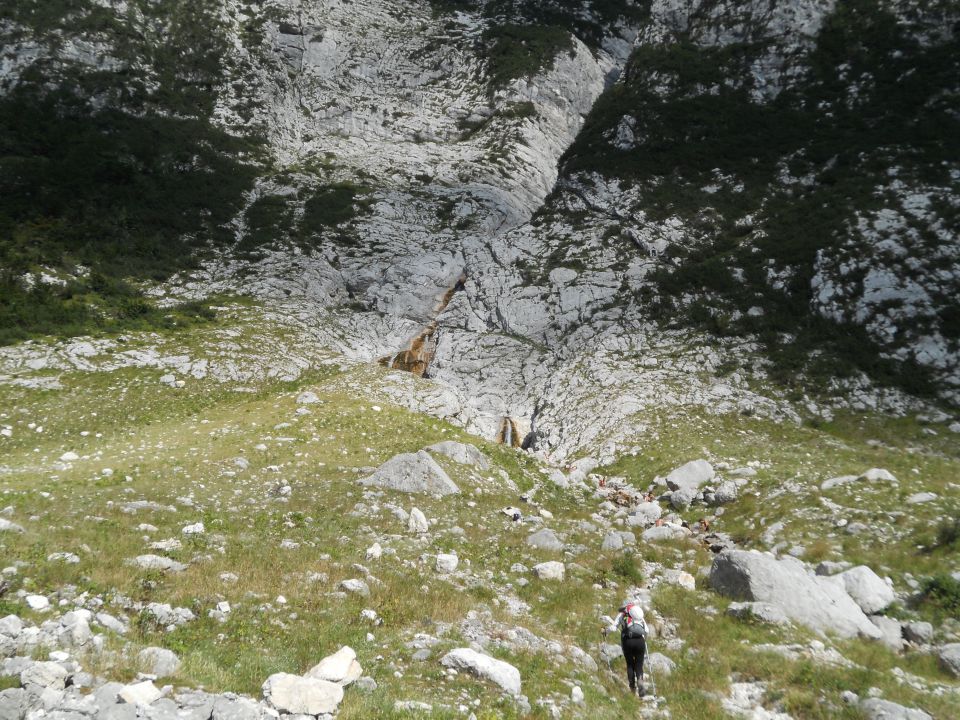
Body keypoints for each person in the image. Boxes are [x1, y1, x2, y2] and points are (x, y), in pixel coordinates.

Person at [604, 599, 647, 696]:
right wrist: (645, 640)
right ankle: (640, 681)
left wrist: (606, 631)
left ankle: (632, 689)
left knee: (630, 664)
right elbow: (646, 630)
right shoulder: (639, 615)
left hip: (627, 641)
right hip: (640, 641)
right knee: (639, 665)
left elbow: (614, 628)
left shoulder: (622, 615)